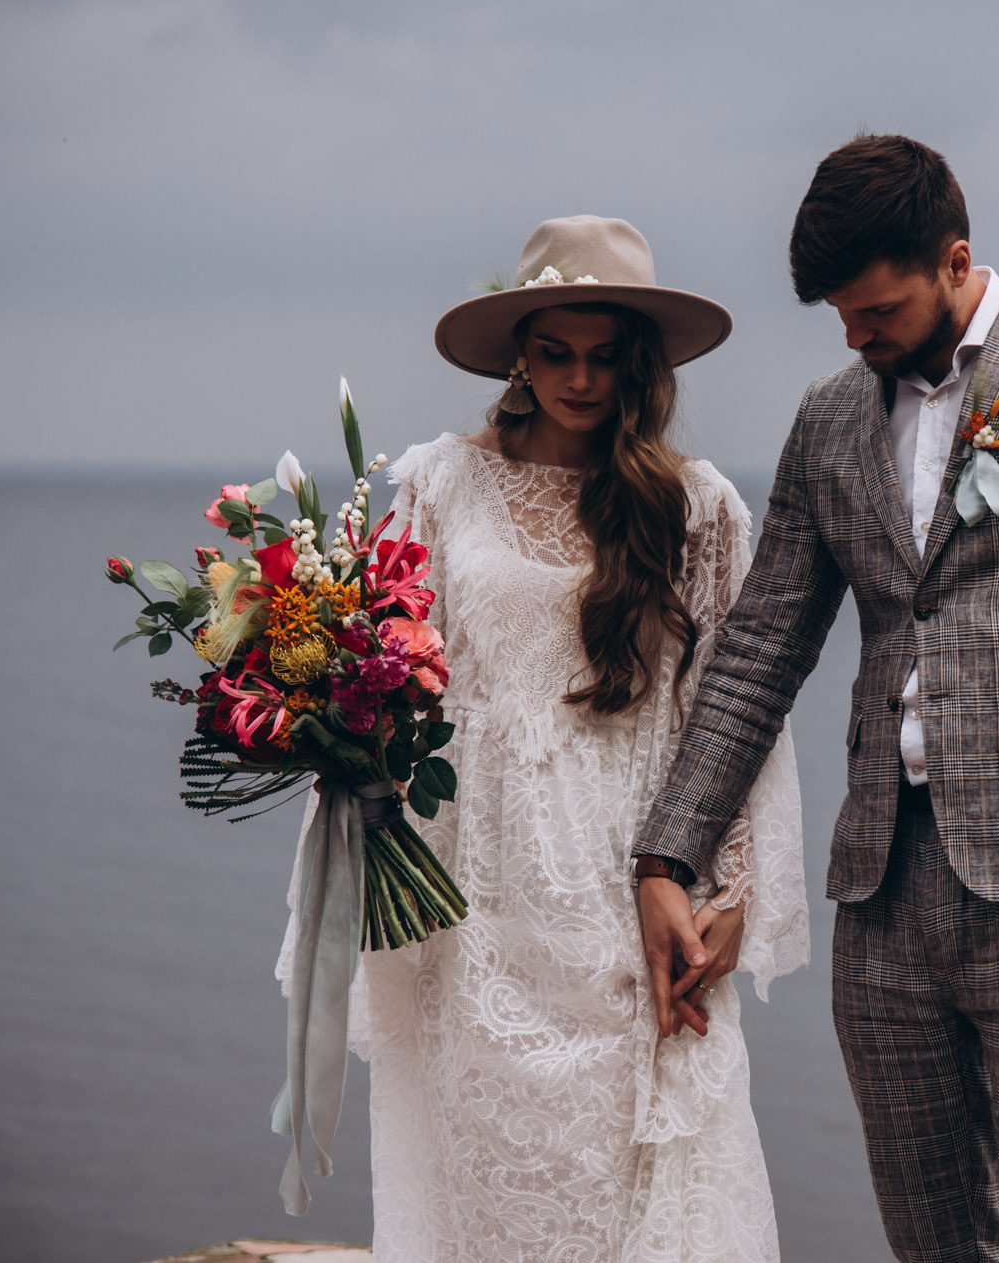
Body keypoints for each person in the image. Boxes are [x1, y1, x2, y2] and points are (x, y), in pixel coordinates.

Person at [632, 137, 999, 1261]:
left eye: (877, 310)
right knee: (930, 1241)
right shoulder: (829, 418)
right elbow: (758, 650)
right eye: (840, 317)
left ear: (954, 261)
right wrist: (668, 856)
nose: (856, 337)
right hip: (882, 899)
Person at [280, 215, 808, 1262]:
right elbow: (388, 667)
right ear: (518, 357)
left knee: (644, 1157)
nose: (579, 379)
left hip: (636, 873)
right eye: (555, 353)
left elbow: (734, 706)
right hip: (476, 878)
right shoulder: (440, 483)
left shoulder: (696, 506)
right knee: (482, 1160)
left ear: (639, 364)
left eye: (604, 357)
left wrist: (735, 881)